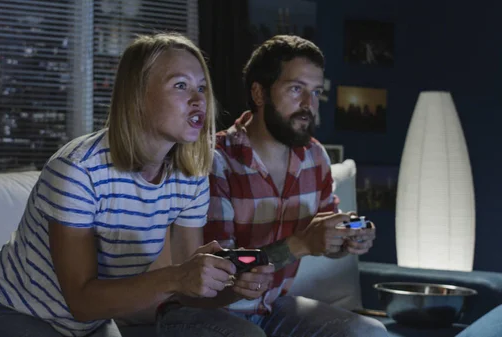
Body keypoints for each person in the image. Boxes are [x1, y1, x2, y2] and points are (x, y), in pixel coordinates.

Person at [0, 33, 240, 337]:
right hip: (9, 311)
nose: (198, 98)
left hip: (91, 322)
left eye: (201, 87)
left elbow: (189, 288)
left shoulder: (192, 173)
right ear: (137, 95)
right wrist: (176, 277)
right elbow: (81, 300)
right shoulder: (78, 169)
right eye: (180, 85)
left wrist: (234, 285)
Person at [157, 35, 388, 336]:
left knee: (369, 332)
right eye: (296, 89)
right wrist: (302, 244)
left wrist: (346, 239)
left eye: (316, 92)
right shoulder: (214, 160)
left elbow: (324, 234)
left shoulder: (315, 157)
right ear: (259, 93)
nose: (309, 105)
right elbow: (222, 271)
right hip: (200, 309)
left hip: (271, 307)